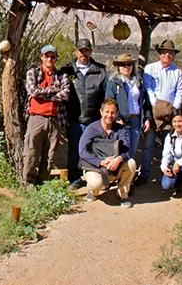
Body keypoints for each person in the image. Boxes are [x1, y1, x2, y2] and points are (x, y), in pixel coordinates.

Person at [136, 40, 182, 186]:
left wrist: (173, 109)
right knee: (148, 145)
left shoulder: (177, 72)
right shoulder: (150, 69)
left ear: (173, 56)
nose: (167, 55)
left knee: (169, 145)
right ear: (159, 54)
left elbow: (180, 91)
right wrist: (156, 106)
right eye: (165, 52)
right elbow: (148, 89)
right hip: (153, 111)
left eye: (170, 53)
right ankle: (144, 174)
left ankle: (171, 176)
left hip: (170, 114)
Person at [61, 38, 107, 190]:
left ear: (91, 52)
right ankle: (75, 178)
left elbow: (105, 96)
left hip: (94, 119)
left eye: (87, 50)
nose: (84, 54)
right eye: (81, 51)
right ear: (76, 52)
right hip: (75, 118)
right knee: (75, 150)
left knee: (95, 149)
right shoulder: (67, 71)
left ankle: (95, 179)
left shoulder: (100, 70)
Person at [23, 44, 70, 186]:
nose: (49, 59)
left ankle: (42, 181)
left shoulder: (62, 75)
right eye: (47, 56)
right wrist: (54, 90)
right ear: (42, 57)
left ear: (56, 58)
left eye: (52, 56)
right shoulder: (33, 72)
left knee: (49, 155)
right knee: (31, 152)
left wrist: (43, 93)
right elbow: (33, 91)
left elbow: (65, 95)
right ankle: (28, 182)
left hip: (54, 119)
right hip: (36, 118)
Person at [78, 99, 136, 207]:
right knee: (96, 184)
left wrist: (118, 159)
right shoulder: (91, 128)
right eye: (107, 111)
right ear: (101, 112)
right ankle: (93, 191)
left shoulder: (121, 129)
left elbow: (128, 150)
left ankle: (122, 195)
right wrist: (101, 162)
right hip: (96, 167)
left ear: (116, 113)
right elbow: (82, 151)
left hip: (115, 166)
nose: (110, 115)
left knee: (131, 163)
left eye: (113, 112)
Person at [105, 53, 152, 161]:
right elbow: (109, 102)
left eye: (129, 64)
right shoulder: (113, 83)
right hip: (121, 121)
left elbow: (145, 103)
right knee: (120, 151)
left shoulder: (138, 83)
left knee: (132, 152)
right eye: (123, 65)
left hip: (136, 120)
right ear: (118, 67)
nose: (126, 67)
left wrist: (147, 118)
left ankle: (129, 177)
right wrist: (117, 118)